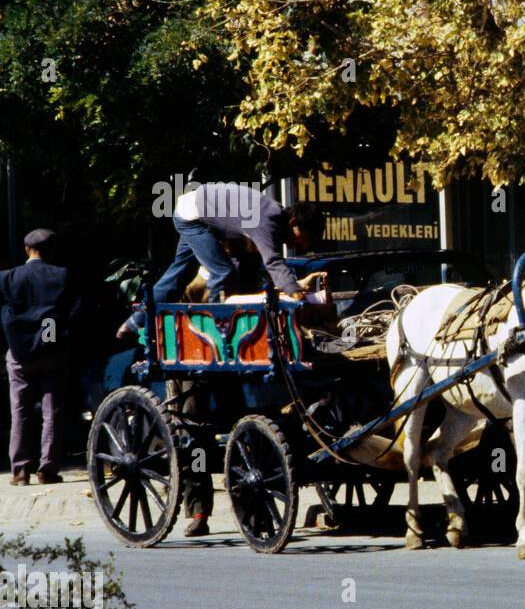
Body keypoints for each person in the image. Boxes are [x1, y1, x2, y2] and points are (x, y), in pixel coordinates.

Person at [117, 183, 325, 337]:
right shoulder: (269, 220)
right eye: (306, 238)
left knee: (181, 273)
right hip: (193, 216)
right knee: (222, 272)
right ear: (294, 222)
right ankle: (218, 331)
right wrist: (296, 293)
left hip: (195, 210)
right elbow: (273, 262)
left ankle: (134, 322)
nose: (304, 247)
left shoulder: (275, 216)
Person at [0, 229, 82, 485]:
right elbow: (75, 310)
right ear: (53, 250)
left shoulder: (8, 278)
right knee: (52, 409)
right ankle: (48, 468)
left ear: (27, 250)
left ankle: (21, 470)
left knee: (20, 409)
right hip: (52, 348)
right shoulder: (62, 276)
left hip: (20, 350)